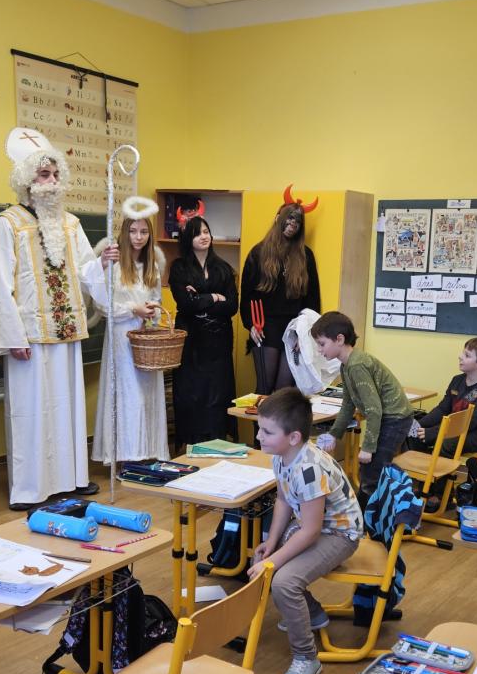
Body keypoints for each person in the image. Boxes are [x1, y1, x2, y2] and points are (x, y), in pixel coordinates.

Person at [0, 128, 98, 509]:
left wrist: (107, 265)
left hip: (67, 332)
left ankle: (72, 478)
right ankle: (31, 488)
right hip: (28, 337)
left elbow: (87, 272)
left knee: (67, 408)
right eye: (43, 175)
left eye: (55, 174)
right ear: (26, 181)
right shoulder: (9, 223)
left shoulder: (71, 223)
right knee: (32, 413)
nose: (51, 181)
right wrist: (11, 336)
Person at [251, 387, 363, 674]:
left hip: (340, 534)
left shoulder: (308, 468)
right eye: (260, 428)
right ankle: (311, 613)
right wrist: (271, 543)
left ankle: (306, 658)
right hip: (314, 526)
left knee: (283, 582)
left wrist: (274, 561)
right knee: (264, 559)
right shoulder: (281, 456)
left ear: (294, 437)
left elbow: (312, 531)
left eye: (267, 431)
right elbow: (283, 500)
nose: (259, 436)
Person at [81, 200, 169, 467]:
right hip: (122, 338)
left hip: (146, 341)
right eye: (133, 231)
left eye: (143, 232)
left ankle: (145, 451)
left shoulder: (152, 266)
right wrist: (133, 309)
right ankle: (126, 455)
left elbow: (156, 299)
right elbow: (102, 305)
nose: (138, 237)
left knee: (146, 395)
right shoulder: (115, 265)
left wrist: (151, 311)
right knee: (128, 395)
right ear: (124, 233)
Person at [312, 311, 413, 499]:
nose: (319, 350)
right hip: (392, 417)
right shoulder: (346, 365)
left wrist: (367, 447)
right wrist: (334, 433)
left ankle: (367, 516)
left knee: (371, 473)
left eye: (322, 344)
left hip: (395, 418)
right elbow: (348, 403)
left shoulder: (356, 365)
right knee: (373, 470)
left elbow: (374, 410)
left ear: (339, 339)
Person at [168, 215, 237, 448]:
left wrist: (199, 298)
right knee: (191, 392)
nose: (203, 237)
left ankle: (218, 443)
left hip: (219, 341)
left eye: (206, 232)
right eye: (197, 233)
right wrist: (214, 297)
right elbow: (185, 304)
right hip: (191, 341)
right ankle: (192, 444)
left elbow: (232, 306)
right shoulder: (179, 267)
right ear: (188, 238)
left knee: (218, 392)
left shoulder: (223, 268)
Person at [240, 199, 320, 394]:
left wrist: (306, 332)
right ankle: (261, 417)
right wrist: (251, 325)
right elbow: (247, 296)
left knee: (284, 390)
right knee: (264, 389)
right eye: (289, 219)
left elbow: (312, 300)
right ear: (278, 219)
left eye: (297, 222)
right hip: (265, 328)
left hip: (293, 329)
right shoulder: (258, 253)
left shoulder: (305, 256)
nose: (292, 225)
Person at [411, 336, 477, 457]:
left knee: (446, 443)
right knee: (414, 432)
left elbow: (470, 422)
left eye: (467, 355)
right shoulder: (457, 380)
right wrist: (419, 424)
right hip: (455, 427)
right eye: (463, 353)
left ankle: (437, 468)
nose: (460, 356)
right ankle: (424, 465)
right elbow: (442, 409)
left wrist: (435, 432)